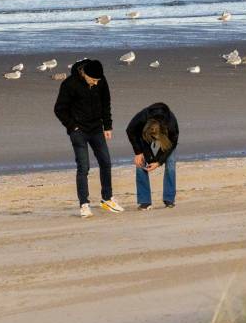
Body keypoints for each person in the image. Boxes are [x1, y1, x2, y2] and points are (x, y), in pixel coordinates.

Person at [53, 58, 122, 218]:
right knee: (83, 168)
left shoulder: (101, 80)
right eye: (93, 80)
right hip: (79, 131)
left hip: (97, 128)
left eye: (98, 80)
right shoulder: (70, 84)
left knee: (106, 162)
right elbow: (59, 109)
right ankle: (84, 205)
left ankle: (107, 199)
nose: (96, 83)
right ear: (85, 74)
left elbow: (106, 103)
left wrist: (108, 126)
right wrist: (72, 127)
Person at [126, 103, 180, 209]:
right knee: (140, 161)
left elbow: (172, 143)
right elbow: (130, 130)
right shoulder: (142, 118)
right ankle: (145, 201)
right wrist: (138, 153)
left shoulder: (171, 124)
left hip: (168, 139)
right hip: (142, 136)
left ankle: (169, 199)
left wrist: (158, 162)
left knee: (170, 162)